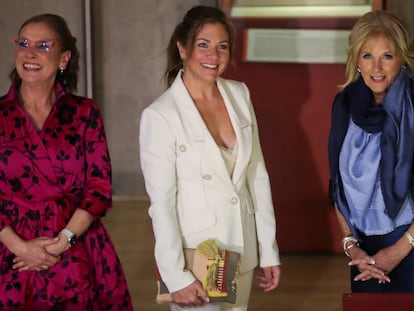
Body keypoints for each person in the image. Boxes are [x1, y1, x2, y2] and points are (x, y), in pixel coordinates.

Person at [139, 5, 281, 311]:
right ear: (182, 48)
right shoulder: (160, 115)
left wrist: (268, 251)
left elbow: (257, 176)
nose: (213, 56)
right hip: (197, 257)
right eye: (203, 45)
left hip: (240, 246)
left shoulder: (239, 94)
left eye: (222, 47)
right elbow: (161, 204)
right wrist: (175, 275)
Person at [0, 13, 133, 310]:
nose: (30, 53)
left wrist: (64, 240)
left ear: (64, 58)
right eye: (23, 43)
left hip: (76, 245)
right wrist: (19, 247)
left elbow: (99, 189)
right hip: (10, 252)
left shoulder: (84, 112)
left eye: (44, 45)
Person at [328, 10, 414, 293]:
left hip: (409, 243)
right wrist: (351, 246)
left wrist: (399, 251)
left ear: (402, 58)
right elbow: (336, 186)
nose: (376, 67)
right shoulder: (343, 105)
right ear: (356, 60)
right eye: (367, 56)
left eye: (387, 56)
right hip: (362, 252)